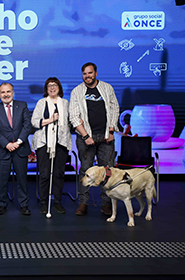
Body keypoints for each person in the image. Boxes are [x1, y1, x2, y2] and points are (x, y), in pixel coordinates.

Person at [69, 62, 120, 216]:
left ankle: (106, 204)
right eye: (84, 74)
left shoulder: (107, 88)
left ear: (96, 73)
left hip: (106, 137)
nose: (87, 76)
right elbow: (73, 116)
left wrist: (111, 130)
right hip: (86, 138)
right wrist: (85, 135)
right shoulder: (77, 91)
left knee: (107, 171)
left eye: (90, 73)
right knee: (85, 171)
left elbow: (114, 109)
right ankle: (83, 204)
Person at [31, 77, 72, 215]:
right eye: (49, 86)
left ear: (59, 88)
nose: (52, 88)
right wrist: (50, 120)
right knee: (44, 174)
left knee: (59, 174)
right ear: (46, 89)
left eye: (54, 85)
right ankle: (43, 202)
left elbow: (70, 121)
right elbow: (34, 122)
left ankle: (57, 202)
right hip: (43, 143)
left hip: (61, 143)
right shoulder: (41, 103)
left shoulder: (66, 103)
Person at [0, 82, 32, 216]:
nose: (6, 94)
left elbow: (27, 125)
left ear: (13, 93)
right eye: (3, 92)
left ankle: (24, 205)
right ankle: (1, 205)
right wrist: (6, 144)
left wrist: (18, 142)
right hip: (3, 150)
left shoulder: (23, 105)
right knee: (2, 180)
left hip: (20, 148)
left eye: (8, 92)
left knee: (22, 179)